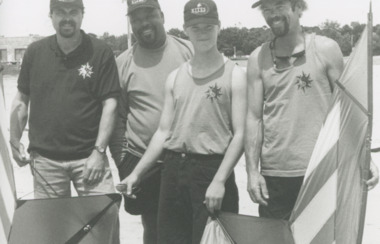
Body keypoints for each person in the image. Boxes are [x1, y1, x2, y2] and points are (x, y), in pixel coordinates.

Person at [116, 0, 247, 243]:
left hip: (212, 168)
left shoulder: (235, 75)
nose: (202, 33)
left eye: (208, 26)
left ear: (219, 27)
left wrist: (219, 181)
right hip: (173, 170)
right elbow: (162, 132)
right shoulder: (175, 77)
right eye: (195, 27)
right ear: (185, 29)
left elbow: (240, 134)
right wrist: (136, 173)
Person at [245, 0, 379, 221]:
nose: (272, 14)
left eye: (279, 6)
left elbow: (346, 107)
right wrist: (252, 171)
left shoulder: (326, 49)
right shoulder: (257, 59)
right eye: (266, 9)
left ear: (299, 7)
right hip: (276, 176)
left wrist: (363, 156)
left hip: (322, 168)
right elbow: (253, 118)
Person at [10, 0, 120, 200]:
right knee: (54, 229)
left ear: (82, 15)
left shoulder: (100, 51)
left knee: (102, 220)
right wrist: (14, 140)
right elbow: (21, 100)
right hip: (46, 161)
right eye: (60, 12)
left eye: (73, 12)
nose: (67, 18)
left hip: (90, 158)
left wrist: (98, 152)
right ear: (51, 15)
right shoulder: (35, 52)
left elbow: (110, 105)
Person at [109, 0, 193, 243]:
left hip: (184, 158)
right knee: (153, 227)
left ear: (163, 16)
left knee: (187, 226)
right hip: (141, 159)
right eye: (136, 19)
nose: (143, 23)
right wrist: (124, 163)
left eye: (150, 15)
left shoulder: (189, 51)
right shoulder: (123, 62)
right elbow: (118, 119)